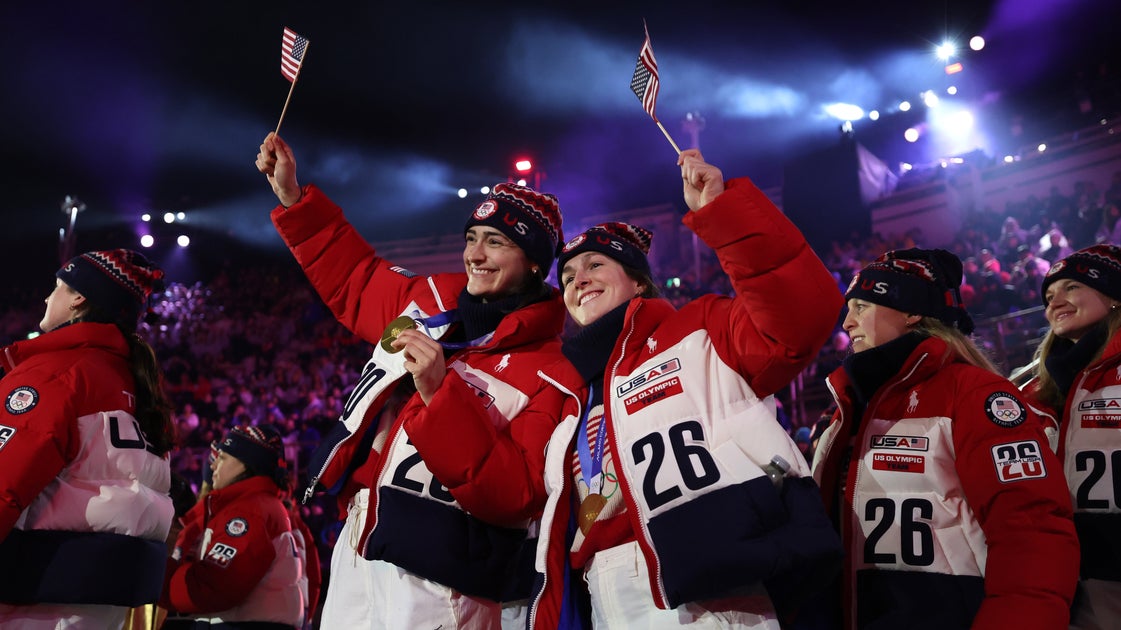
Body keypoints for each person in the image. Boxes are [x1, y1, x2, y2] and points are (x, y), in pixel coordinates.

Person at [255, 132, 581, 628]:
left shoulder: (553, 370)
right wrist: (295, 199)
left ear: (535, 262)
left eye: (496, 242)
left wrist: (437, 392)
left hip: (446, 570)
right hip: (362, 542)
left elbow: (513, 493)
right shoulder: (426, 301)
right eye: (472, 237)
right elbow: (354, 279)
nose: (476, 253)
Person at [528, 149, 844, 629]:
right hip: (604, 593)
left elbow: (799, 323)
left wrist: (723, 214)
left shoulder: (698, 327)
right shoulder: (568, 387)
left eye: (595, 265)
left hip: (715, 588)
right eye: (568, 276)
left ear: (638, 282)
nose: (579, 280)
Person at [812, 248, 1079, 629]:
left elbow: (1032, 530)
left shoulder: (977, 394)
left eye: (861, 307)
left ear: (911, 311)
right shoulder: (844, 409)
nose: (847, 323)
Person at [0, 249, 176, 628]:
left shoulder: (56, 373)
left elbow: (4, 484)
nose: (47, 298)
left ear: (79, 298)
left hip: (34, 603)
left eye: (57, 287)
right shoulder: (134, 381)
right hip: (98, 605)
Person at [1027, 244, 1121, 629]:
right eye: (1049, 296)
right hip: (1067, 577)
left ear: (1114, 295)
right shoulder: (1031, 390)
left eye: (1071, 287)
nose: (1055, 302)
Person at [161, 424, 307, 629]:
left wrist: (155, 578)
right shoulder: (249, 506)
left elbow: (215, 586)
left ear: (246, 464)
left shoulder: (249, 512)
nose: (213, 465)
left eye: (222, 458)